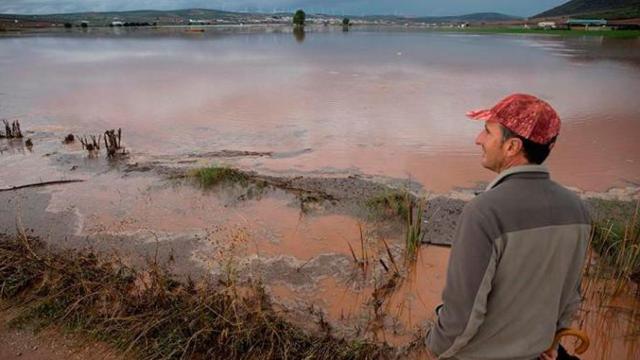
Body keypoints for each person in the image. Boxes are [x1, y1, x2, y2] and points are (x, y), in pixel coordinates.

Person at [424, 94, 591, 360]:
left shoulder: (484, 212)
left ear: (512, 146)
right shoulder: (577, 208)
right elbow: (570, 293)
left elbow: (463, 315)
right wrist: (552, 340)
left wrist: (435, 346)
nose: (478, 139)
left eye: (487, 132)